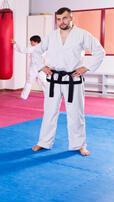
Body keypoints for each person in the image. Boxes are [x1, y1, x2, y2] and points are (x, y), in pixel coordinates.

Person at [32, 7, 105, 156]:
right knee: (49, 113)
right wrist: (42, 66)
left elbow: (99, 51)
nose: (61, 22)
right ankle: (44, 142)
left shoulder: (82, 35)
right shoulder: (51, 36)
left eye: (65, 18)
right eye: (59, 19)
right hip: (54, 79)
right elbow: (37, 51)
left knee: (76, 113)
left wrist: (86, 67)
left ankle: (79, 144)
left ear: (71, 18)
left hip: (73, 80)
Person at [11, 35, 47, 99]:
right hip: (41, 68)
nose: (31, 43)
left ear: (36, 42)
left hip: (35, 68)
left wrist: (15, 44)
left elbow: (23, 50)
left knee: (29, 82)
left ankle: (24, 96)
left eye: (32, 42)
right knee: (44, 82)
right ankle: (49, 96)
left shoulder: (33, 48)